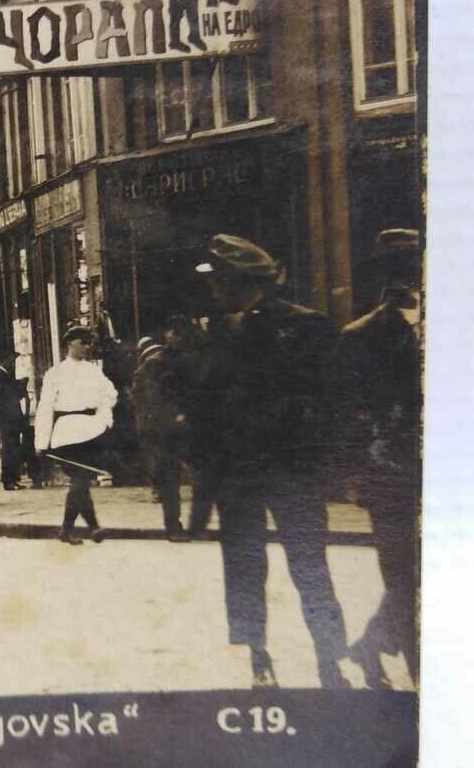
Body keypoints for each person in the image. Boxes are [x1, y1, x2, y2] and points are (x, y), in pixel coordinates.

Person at [190, 233, 348, 689]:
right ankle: (259, 657)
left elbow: (329, 400)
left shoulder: (305, 327)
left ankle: (329, 656)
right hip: (238, 477)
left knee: (309, 563)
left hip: (290, 469)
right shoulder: (217, 336)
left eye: (220, 282)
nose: (215, 292)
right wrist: (205, 487)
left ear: (242, 282)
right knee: (244, 566)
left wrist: (324, 465)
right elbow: (205, 413)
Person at [335, 228, 421, 689]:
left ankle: (371, 646)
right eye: (398, 264)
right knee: (405, 578)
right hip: (390, 473)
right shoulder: (362, 336)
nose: (406, 273)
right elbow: (348, 412)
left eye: (413, 260)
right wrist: (356, 476)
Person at [35, 324, 118, 545]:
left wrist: (104, 419)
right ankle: (90, 527)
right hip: (67, 432)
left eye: (89, 343)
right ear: (70, 343)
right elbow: (45, 408)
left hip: (91, 430)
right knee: (81, 479)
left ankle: (73, 530)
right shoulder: (55, 373)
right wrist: (41, 442)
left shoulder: (93, 371)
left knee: (81, 481)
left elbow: (110, 395)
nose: (87, 347)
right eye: (83, 342)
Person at [131, 317, 199, 541]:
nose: (177, 337)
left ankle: (198, 522)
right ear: (166, 336)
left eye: (181, 333)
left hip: (193, 427)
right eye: (173, 332)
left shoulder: (193, 360)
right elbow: (154, 398)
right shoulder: (155, 363)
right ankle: (174, 527)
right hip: (166, 430)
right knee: (170, 480)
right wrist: (177, 415)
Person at [0, 356, 28, 491]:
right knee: (9, 449)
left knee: (14, 448)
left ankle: (14, 479)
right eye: (11, 361)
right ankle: (8, 480)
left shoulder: (5, 376)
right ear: (4, 361)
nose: (12, 364)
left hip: (12, 419)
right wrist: (21, 385)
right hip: (7, 419)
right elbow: (10, 396)